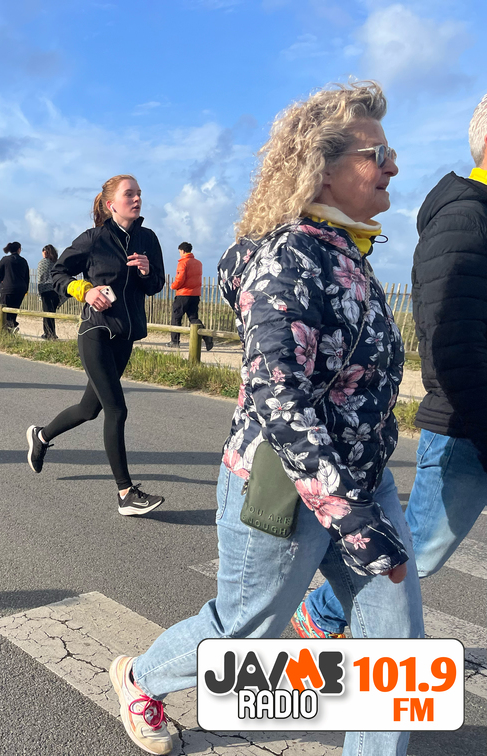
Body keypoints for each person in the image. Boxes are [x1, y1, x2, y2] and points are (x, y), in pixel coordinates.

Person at [107, 83, 421, 756]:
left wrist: (359, 498)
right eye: (378, 153)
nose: (393, 165)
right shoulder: (289, 258)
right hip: (283, 486)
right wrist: (348, 513)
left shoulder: (349, 253)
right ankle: (140, 677)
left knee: (396, 651)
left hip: (360, 485)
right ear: (323, 168)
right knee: (244, 631)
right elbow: (280, 396)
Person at [294, 91, 487, 641]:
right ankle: (324, 613)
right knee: (417, 550)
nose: (392, 167)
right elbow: (451, 345)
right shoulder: (466, 219)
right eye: (379, 156)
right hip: (469, 424)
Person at [26, 175, 167, 516]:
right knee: (117, 410)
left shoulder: (148, 239)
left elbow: (156, 286)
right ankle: (125, 493)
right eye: (129, 194)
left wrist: (147, 271)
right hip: (96, 332)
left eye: (139, 194)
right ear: (110, 204)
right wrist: (84, 291)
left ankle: (41, 436)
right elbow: (57, 274)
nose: (137, 199)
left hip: (125, 336)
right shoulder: (93, 239)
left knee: (90, 409)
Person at [169, 241, 213, 351]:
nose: (179, 254)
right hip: (195, 294)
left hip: (183, 294)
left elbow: (180, 279)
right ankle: (207, 337)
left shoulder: (183, 263)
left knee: (176, 317)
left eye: (179, 252)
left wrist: (173, 286)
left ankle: (175, 341)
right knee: (193, 318)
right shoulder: (198, 263)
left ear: (183, 251)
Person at [0, 241, 29, 332]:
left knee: (3, 310)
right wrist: (26, 289)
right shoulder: (23, 261)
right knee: (14, 309)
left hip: (7, 288)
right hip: (20, 289)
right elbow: (27, 277)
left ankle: (5, 329)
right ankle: (11, 326)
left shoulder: (5, 260)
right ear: (19, 249)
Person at [36, 244, 61, 340]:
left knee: (46, 313)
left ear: (45, 252)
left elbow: (40, 277)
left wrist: (39, 291)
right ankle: (52, 333)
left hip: (46, 290)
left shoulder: (43, 262)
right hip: (56, 290)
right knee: (52, 313)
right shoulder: (57, 262)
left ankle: (49, 334)